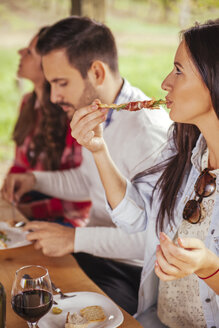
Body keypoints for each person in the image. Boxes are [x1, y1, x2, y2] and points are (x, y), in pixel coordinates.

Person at [1, 16, 171, 315]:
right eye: (51, 83)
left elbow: (151, 238)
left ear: (96, 71)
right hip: (94, 255)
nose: (54, 97)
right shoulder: (101, 115)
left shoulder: (148, 132)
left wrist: (73, 238)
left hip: (129, 275)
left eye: (61, 83)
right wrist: (34, 180)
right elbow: (88, 180)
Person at [68, 19, 219, 326]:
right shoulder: (182, 150)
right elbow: (136, 220)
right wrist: (99, 150)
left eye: (179, 70)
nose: (166, 82)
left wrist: (208, 267)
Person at [2, 27, 90, 227]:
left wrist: (26, 211)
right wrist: (9, 195)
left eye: (30, 52)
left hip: (64, 219)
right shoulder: (27, 103)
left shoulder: (72, 113)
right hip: (30, 208)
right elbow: (20, 165)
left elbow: (83, 197)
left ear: (48, 65)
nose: (20, 52)